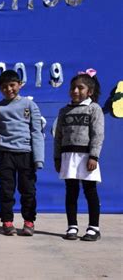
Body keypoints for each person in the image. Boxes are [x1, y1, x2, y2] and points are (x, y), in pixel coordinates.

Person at [0, 70, 44, 236]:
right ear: (0, 89)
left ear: (19, 85)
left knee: (28, 190)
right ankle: (7, 221)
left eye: (12, 85)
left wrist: (38, 159)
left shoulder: (29, 105)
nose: (9, 89)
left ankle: (29, 221)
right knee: (6, 190)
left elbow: (36, 132)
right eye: (4, 87)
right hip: (5, 155)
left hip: (25, 155)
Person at [54, 69, 104, 241]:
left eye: (80, 88)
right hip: (68, 157)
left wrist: (94, 156)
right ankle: (72, 226)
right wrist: (57, 157)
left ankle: (94, 228)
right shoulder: (64, 111)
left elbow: (98, 134)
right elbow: (58, 136)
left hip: (86, 157)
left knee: (90, 191)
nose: (75, 91)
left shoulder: (94, 109)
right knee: (71, 192)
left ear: (89, 91)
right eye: (73, 88)